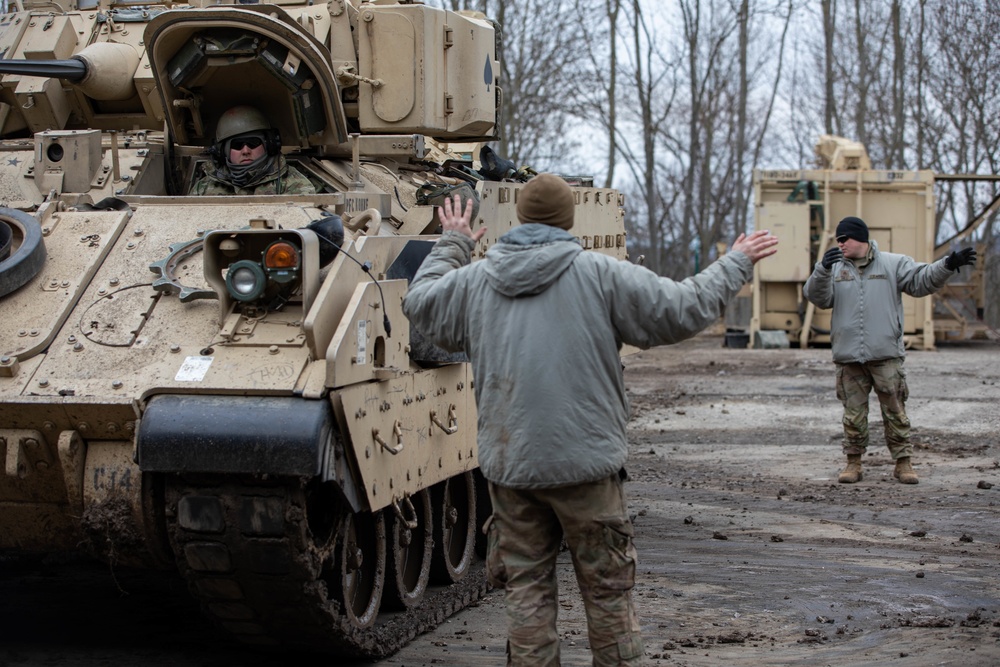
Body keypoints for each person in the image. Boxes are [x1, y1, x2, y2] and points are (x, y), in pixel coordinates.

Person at [401, 173, 779, 666]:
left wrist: (453, 241)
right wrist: (737, 261)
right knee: (608, 596)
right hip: (588, 469)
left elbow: (419, 305)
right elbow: (685, 308)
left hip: (512, 469)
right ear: (568, 219)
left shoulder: (476, 280)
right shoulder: (601, 274)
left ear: (520, 218)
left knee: (527, 596)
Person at [803, 215, 977, 485]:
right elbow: (818, 298)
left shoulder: (893, 263)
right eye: (838, 239)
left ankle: (903, 464)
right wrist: (821, 270)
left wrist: (948, 265)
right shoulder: (835, 269)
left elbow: (921, 281)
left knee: (895, 412)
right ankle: (853, 463)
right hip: (849, 357)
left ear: (859, 237)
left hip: (885, 354)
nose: (839, 244)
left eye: (843, 238)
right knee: (853, 415)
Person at [189, 105, 315, 196]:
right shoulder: (204, 188)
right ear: (223, 151)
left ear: (269, 145)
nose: (245, 150)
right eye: (237, 145)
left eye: (253, 143)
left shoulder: (292, 183)